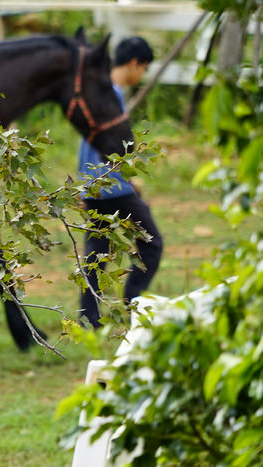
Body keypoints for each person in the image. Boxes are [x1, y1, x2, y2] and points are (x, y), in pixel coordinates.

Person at [78, 36, 164, 327]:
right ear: (134, 63)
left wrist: (84, 181)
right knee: (152, 244)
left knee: (97, 253)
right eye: (144, 68)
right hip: (110, 189)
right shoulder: (111, 93)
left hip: (94, 186)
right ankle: (132, 304)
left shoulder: (99, 90)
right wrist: (122, 181)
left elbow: (86, 144)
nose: (142, 75)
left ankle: (88, 317)